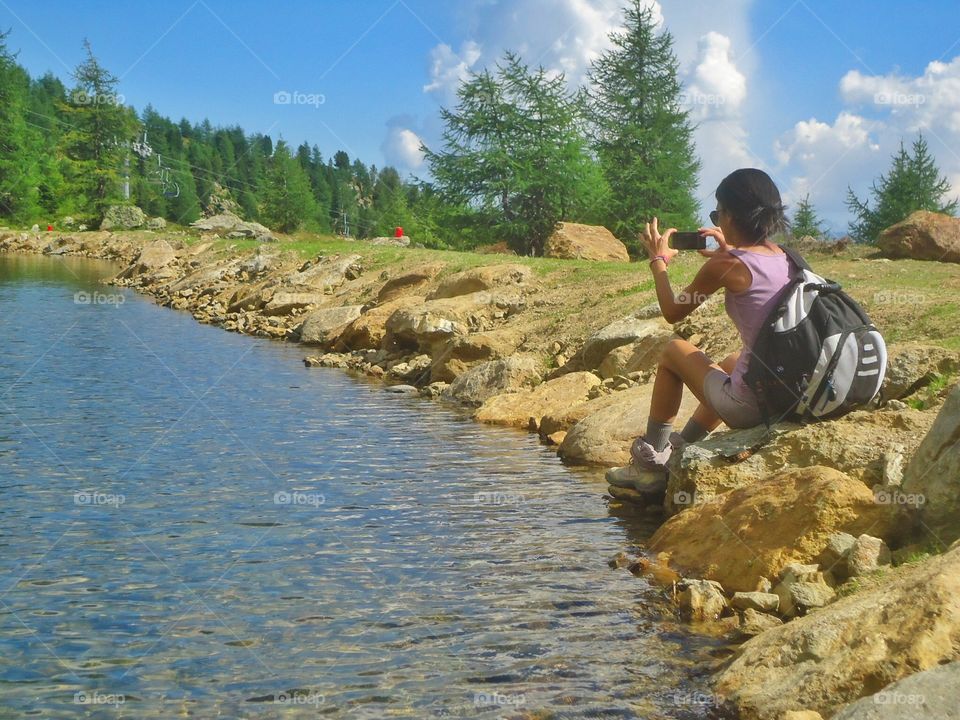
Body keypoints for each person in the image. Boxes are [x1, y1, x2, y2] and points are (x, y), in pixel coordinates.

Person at [607, 168, 792, 489]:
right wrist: (727, 253)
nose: (717, 221)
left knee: (672, 351)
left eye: (717, 213)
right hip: (793, 393)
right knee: (735, 361)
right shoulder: (788, 257)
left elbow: (672, 312)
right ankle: (682, 448)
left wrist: (658, 260)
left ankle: (650, 464)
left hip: (755, 405)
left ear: (731, 216)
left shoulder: (725, 265)